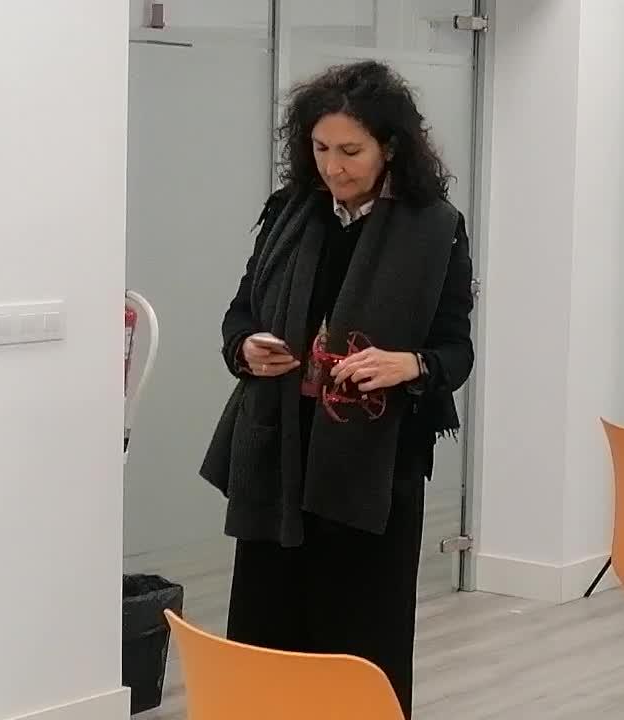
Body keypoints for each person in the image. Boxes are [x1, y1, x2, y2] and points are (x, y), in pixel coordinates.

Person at [199, 60, 473, 717]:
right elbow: (240, 315)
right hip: (279, 454)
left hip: (376, 468)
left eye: (351, 151)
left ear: (390, 147)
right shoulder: (289, 214)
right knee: (268, 629)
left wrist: (410, 365)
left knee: (362, 639)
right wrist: (246, 348)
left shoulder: (435, 227)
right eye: (321, 149)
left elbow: (454, 350)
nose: (333, 167)